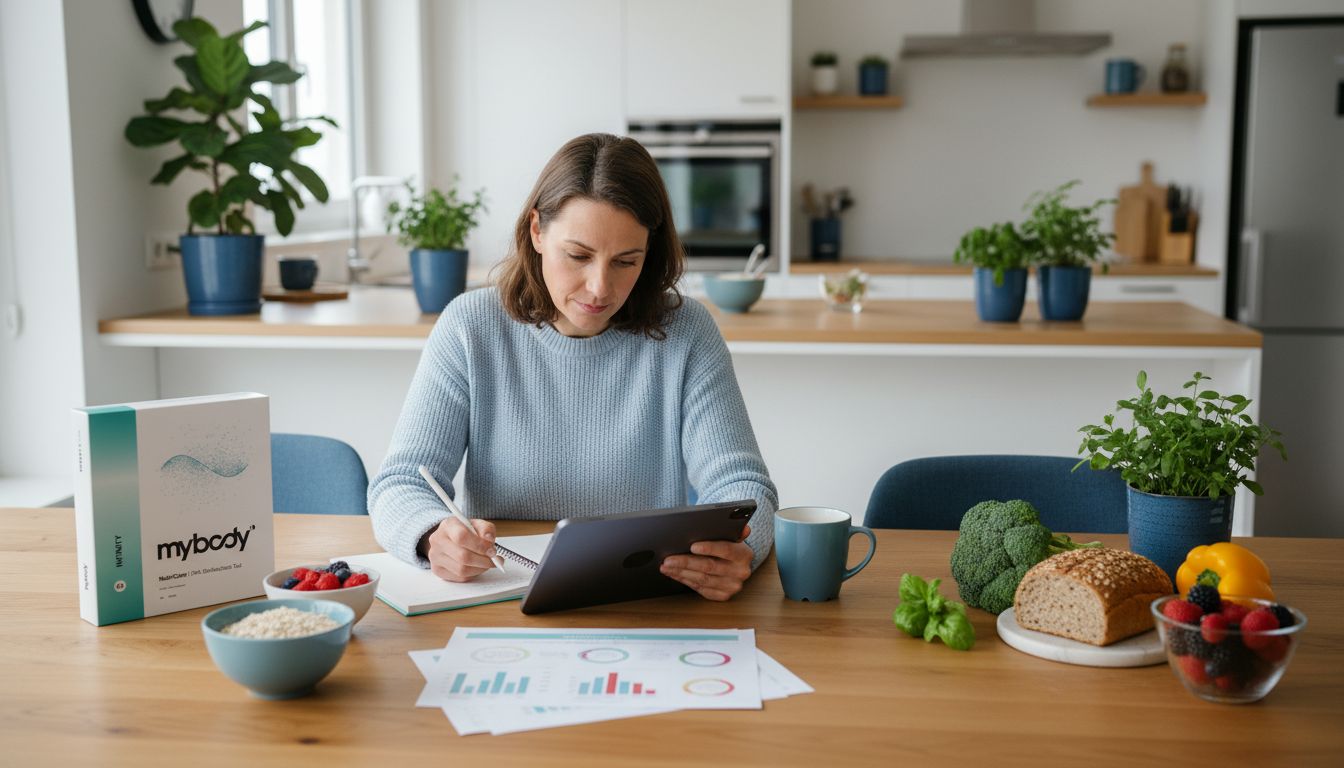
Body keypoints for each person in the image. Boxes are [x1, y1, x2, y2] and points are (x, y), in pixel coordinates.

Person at [368, 133, 777, 601]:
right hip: (503, 597)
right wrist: (431, 536)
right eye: (578, 256)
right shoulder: (470, 327)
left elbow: (743, 486)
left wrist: (742, 550)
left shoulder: (687, 332)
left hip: (647, 601)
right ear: (537, 231)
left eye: (626, 261)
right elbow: (400, 483)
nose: (600, 287)